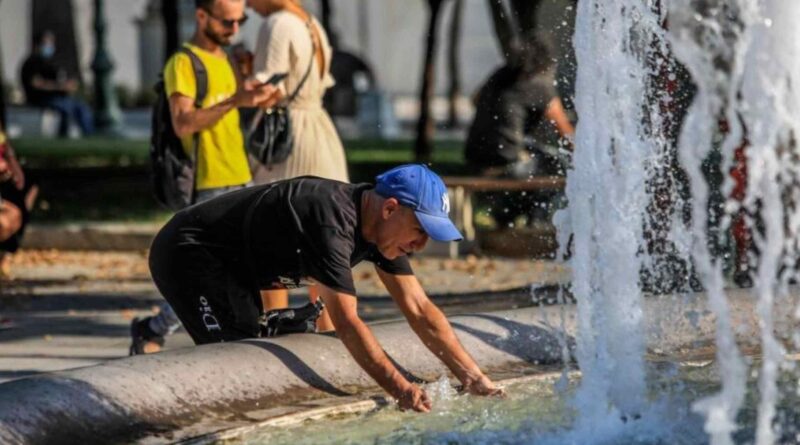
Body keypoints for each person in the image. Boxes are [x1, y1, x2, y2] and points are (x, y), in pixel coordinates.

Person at [147, 164, 503, 411]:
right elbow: (347, 322)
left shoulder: (383, 233)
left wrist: (475, 379)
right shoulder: (332, 223)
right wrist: (401, 389)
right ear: (390, 209)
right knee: (233, 358)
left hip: (236, 267)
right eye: (421, 231)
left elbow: (420, 310)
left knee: (257, 351)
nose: (421, 245)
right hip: (189, 253)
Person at [129, 0, 281, 355]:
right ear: (202, 17)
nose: (234, 29)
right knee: (201, 276)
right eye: (227, 22)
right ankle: (154, 328)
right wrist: (235, 99)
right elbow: (183, 122)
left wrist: (257, 97)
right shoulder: (184, 63)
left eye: (239, 21)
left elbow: (237, 107)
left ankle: (242, 339)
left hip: (241, 177)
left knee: (247, 269)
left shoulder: (227, 60)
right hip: (206, 184)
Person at [246, 0, 349, 332]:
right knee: (325, 238)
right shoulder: (311, 24)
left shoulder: (276, 24)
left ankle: (273, 333)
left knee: (272, 234)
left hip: (290, 140)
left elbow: (267, 92)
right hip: (320, 131)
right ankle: (331, 332)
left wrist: (240, 73)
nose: (247, 5)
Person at [465, 36, 574, 228]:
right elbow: (566, 134)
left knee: (533, 152)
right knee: (558, 165)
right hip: (506, 163)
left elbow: (474, 100)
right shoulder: (539, 86)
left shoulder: (499, 74)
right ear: (545, 62)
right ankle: (535, 222)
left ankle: (505, 217)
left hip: (474, 156)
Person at [20, 30, 94, 137]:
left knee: (82, 108)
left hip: (59, 98)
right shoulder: (32, 63)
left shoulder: (49, 63)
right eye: (47, 43)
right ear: (37, 45)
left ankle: (89, 136)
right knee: (66, 109)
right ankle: (62, 137)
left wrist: (68, 85)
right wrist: (60, 87)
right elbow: (37, 84)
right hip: (41, 99)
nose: (50, 46)